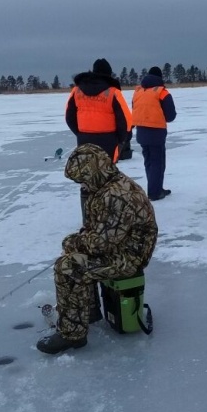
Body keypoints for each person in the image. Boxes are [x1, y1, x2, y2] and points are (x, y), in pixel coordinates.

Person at [36, 144, 158, 355]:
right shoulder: (105, 186)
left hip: (128, 256)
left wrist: (72, 242)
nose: (82, 184)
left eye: (83, 178)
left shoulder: (116, 195)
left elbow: (100, 243)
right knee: (76, 259)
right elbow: (99, 231)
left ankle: (72, 334)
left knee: (67, 267)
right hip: (120, 247)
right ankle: (86, 312)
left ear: (93, 171)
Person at [65, 58, 132, 164]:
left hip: (84, 139)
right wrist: (120, 140)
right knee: (106, 175)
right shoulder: (113, 92)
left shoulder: (76, 91)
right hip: (108, 140)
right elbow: (126, 120)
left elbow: (69, 117)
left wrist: (80, 133)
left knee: (88, 174)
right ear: (109, 74)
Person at [132, 66, 177, 200]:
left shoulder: (138, 92)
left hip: (141, 132)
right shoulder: (162, 92)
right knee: (158, 162)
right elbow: (170, 115)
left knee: (149, 161)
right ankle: (155, 192)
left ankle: (155, 187)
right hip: (156, 132)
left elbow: (135, 108)